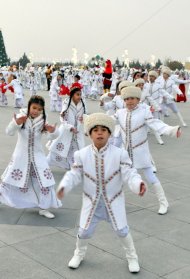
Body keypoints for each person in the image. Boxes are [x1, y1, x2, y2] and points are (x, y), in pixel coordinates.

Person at [56, 113, 146, 273]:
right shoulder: (81, 154)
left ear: (110, 133)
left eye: (104, 129)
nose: (99, 133)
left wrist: (137, 184)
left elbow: (129, 173)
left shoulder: (119, 154)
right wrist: (64, 186)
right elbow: (74, 174)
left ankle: (132, 256)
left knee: (122, 230)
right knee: (83, 231)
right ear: (89, 133)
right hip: (92, 202)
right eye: (95, 130)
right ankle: (78, 254)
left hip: (114, 201)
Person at [114, 86, 181, 215]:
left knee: (151, 177)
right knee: (119, 178)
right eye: (127, 99)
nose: (129, 101)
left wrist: (171, 131)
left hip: (141, 152)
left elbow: (156, 124)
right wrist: (91, 120)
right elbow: (108, 121)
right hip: (126, 153)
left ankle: (163, 202)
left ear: (138, 99)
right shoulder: (120, 112)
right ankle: (116, 204)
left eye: (132, 98)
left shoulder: (144, 112)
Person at [0, 96, 61, 218]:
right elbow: (9, 132)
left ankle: (44, 207)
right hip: (21, 155)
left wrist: (53, 131)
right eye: (34, 107)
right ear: (29, 106)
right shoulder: (21, 117)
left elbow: (51, 136)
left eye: (39, 109)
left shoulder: (43, 119)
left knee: (45, 181)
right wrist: (16, 123)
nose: (36, 111)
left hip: (38, 155)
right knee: (9, 179)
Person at [47, 84, 86, 170]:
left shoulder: (82, 104)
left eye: (80, 94)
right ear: (72, 95)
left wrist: (84, 118)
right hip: (66, 131)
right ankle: (46, 164)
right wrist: (70, 127)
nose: (79, 96)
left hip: (77, 132)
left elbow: (84, 116)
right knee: (58, 150)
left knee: (75, 150)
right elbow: (62, 118)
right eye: (77, 94)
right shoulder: (66, 103)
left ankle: (73, 166)